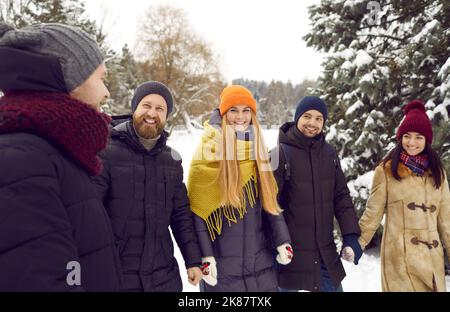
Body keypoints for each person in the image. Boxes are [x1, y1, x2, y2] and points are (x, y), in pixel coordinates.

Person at [0, 22, 122, 291]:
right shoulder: (23, 160)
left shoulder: (55, 149)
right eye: (100, 78)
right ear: (67, 77)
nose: (106, 92)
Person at [92, 81, 203, 291]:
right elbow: (89, 216)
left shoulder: (171, 160)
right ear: (135, 108)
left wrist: (193, 260)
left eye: (160, 108)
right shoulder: (106, 152)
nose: (152, 113)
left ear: (166, 116)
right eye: (146, 105)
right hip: (117, 277)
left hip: (164, 278)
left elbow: (181, 215)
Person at [187, 85, 293, 292]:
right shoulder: (207, 152)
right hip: (222, 269)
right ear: (223, 113)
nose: (240, 117)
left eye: (246, 111)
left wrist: (283, 240)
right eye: (233, 110)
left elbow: (270, 202)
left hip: (260, 265)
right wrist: (206, 257)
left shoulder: (258, 150)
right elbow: (198, 212)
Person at [271, 96, 361, 292]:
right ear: (297, 118)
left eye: (319, 118)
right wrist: (278, 242)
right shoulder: (278, 154)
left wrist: (351, 236)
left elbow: (341, 198)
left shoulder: (329, 154)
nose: (312, 123)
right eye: (307, 116)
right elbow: (269, 206)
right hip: (290, 257)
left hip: (324, 253)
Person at [358, 100, 450, 292]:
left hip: (432, 263)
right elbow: (372, 215)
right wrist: (357, 244)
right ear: (400, 138)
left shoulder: (438, 173)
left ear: (427, 141)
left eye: (419, 137)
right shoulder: (386, 171)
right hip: (400, 263)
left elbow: (446, 221)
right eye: (407, 136)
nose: (412, 142)